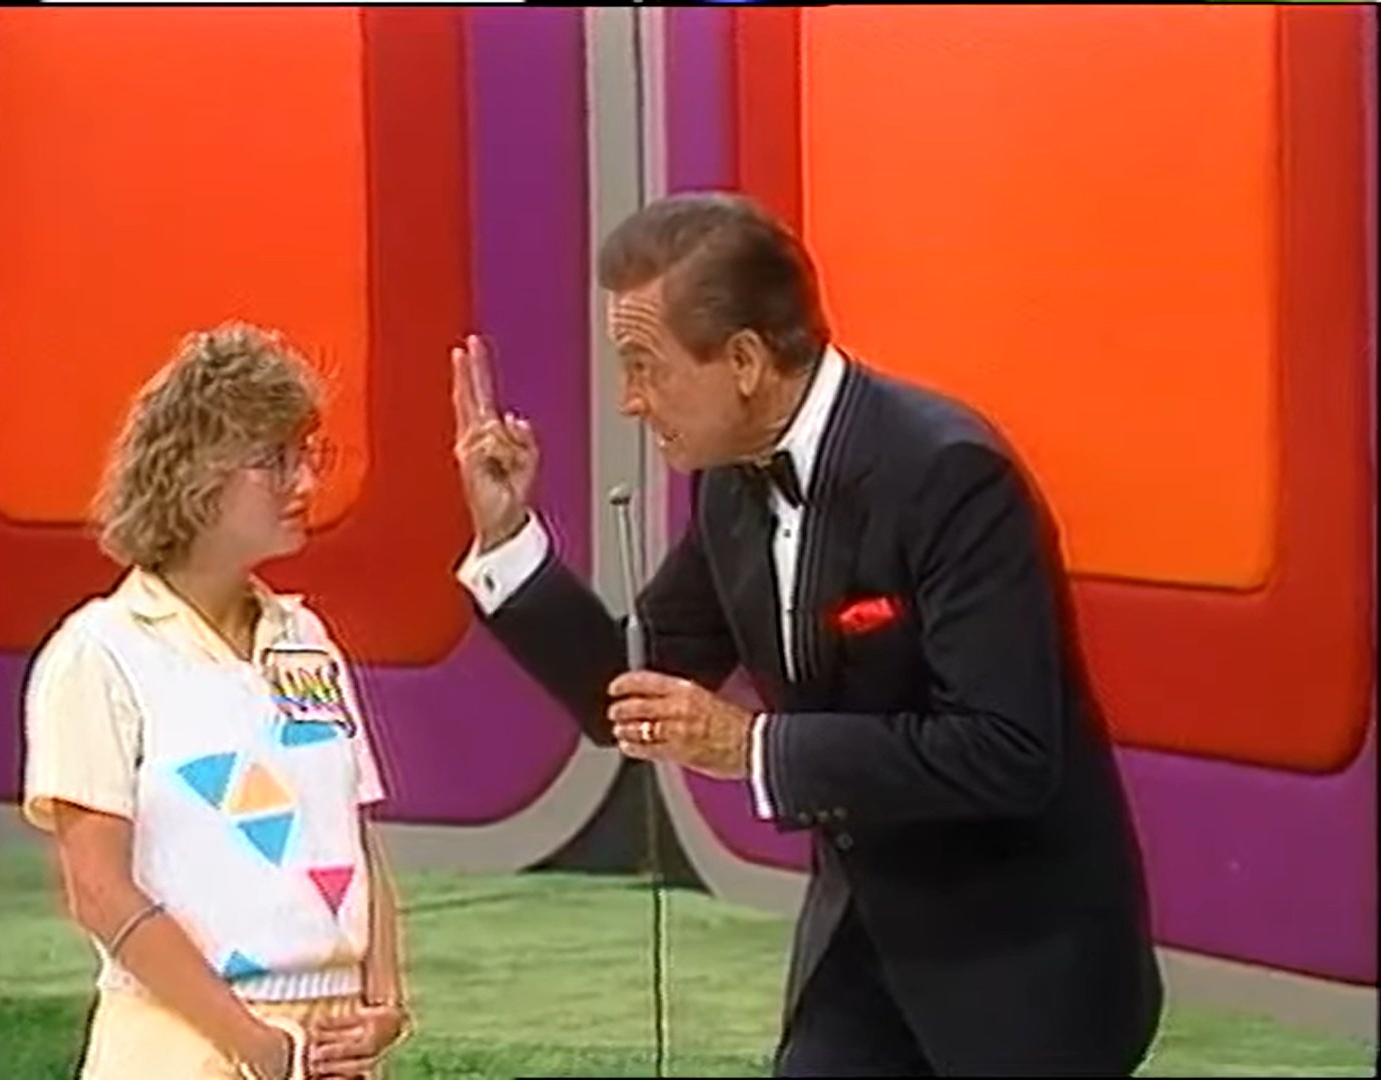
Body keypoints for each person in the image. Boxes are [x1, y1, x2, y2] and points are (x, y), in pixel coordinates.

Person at [449, 192, 1163, 1076]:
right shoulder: (729, 486)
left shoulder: (948, 475)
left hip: (1018, 963)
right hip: (862, 953)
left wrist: (754, 747)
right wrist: (508, 542)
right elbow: (632, 694)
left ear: (745, 359)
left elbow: (1006, 750)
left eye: (644, 366)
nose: (630, 400)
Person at [21, 323, 410, 1080]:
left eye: (309, 455)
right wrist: (252, 1043)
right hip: (179, 1046)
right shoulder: (99, 653)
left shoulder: (307, 640)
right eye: (275, 462)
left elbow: (353, 839)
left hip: (332, 1051)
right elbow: (97, 890)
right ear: (193, 476)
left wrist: (383, 1004)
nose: (306, 483)